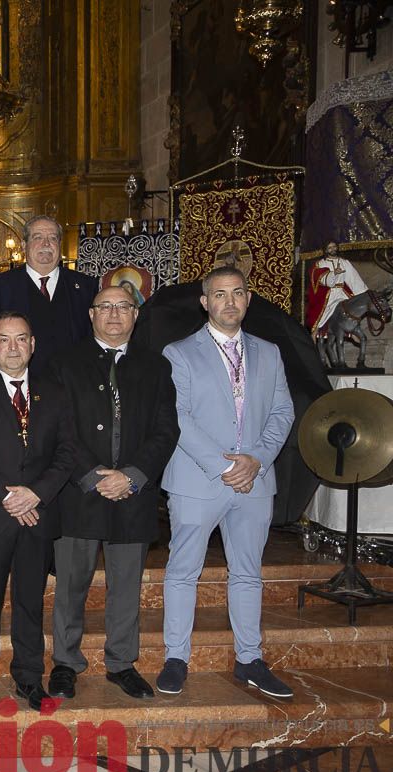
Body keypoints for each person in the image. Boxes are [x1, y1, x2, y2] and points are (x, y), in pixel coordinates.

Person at [157, 266, 295, 699]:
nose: (229, 302)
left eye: (237, 293)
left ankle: (249, 660)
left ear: (248, 299)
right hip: (198, 479)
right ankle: (176, 658)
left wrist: (256, 460)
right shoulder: (178, 353)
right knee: (183, 571)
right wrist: (223, 466)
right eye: (220, 294)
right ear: (205, 302)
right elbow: (177, 417)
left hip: (254, 480)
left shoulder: (270, 352)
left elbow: (282, 412)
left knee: (248, 573)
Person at [48, 286, 179, 701]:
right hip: (78, 493)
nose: (114, 314)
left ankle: (121, 663)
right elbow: (59, 428)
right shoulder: (62, 363)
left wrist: (132, 476)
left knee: (126, 585)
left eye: (124, 307)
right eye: (105, 306)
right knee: (70, 584)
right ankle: (66, 663)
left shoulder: (156, 367)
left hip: (133, 496)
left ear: (135, 316)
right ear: (91, 314)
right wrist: (91, 475)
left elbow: (165, 430)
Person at [0, 312, 75, 712]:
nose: (13, 347)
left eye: (21, 339)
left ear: (33, 345)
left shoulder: (55, 392)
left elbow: (66, 452)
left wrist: (35, 495)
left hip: (37, 516)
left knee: (29, 602)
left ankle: (28, 678)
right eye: (3, 340)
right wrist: (7, 497)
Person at [0, 215, 98, 372]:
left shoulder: (85, 285)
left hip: (75, 385)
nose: (46, 244)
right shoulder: (0, 286)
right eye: (38, 237)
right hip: (22, 384)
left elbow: (94, 337)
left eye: (53, 238)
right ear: (23, 245)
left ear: (60, 245)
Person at [305, 241, 368, 336]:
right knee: (322, 315)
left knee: (350, 312)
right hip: (329, 294)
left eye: (334, 246)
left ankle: (352, 332)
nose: (332, 249)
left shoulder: (344, 262)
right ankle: (314, 334)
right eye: (329, 247)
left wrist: (364, 293)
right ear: (326, 250)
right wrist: (333, 273)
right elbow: (319, 278)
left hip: (342, 293)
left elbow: (353, 278)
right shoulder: (321, 263)